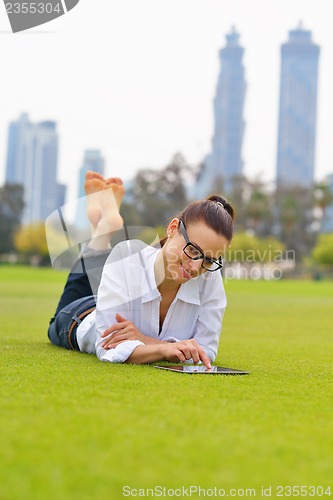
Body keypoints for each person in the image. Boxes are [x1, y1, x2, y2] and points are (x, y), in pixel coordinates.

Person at [48, 171, 235, 369]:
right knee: (55, 322)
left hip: (115, 300)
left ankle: (101, 224)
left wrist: (146, 340)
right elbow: (108, 347)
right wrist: (165, 349)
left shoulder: (210, 276)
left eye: (208, 260)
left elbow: (206, 351)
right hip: (83, 316)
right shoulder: (128, 255)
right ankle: (102, 232)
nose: (196, 266)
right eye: (192, 250)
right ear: (172, 229)